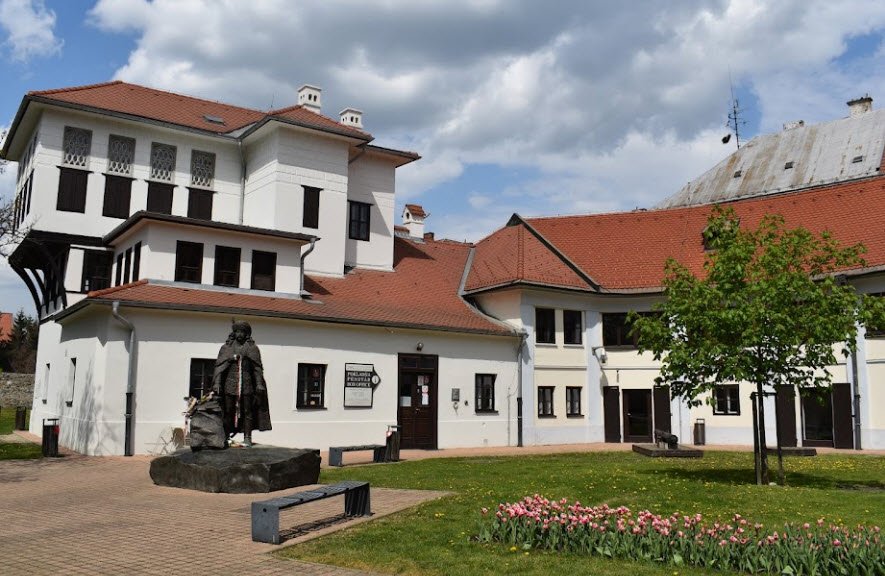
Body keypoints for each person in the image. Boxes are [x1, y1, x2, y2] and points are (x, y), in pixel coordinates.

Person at [211, 321, 271, 447]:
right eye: (237, 331)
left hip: (247, 384)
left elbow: (257, 368)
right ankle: (226, 435)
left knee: (247, 411)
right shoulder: (226, 348)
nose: (240, 334)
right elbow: (219, 367)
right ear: (234, 333)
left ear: (247, 334)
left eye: (242, 332)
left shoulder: (252, 349)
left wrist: (259, 383)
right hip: (229, 384)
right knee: (228, 411)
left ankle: (247, 437)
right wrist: (217, 382)